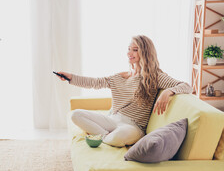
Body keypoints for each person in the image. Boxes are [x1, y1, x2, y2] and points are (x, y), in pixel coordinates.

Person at [55, 35, 192, 147]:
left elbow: (187, 86)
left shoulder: (154, 76)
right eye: (128, 49)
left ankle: (104, 136)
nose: (129, 53)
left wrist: (168, 92)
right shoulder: (121, 77)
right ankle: (106, 137)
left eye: (135, 49)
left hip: (133, 126)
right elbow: (94, 83)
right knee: (76, 115)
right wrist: (70, 77)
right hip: (112, 119)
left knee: (120, 136)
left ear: (145, 52)